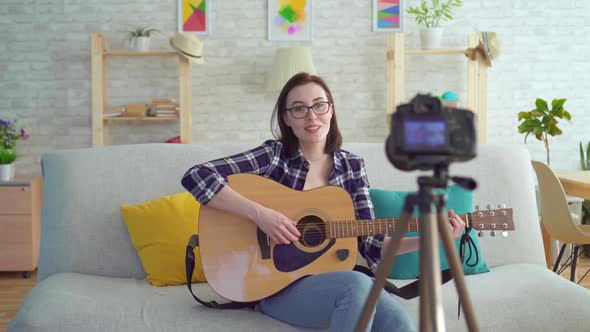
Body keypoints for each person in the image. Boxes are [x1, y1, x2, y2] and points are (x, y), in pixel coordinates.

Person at [181, 72, 465, 332]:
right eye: (299, 108)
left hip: (332, 281)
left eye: (319, 105)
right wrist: (261, 215)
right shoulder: (274, 156)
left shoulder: (352, 166)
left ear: (331, 110)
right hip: (273, 287)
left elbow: (373, 247)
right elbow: (197, 176)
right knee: (356, 283)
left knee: (401, 324)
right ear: (287, 118)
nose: (311, 116)